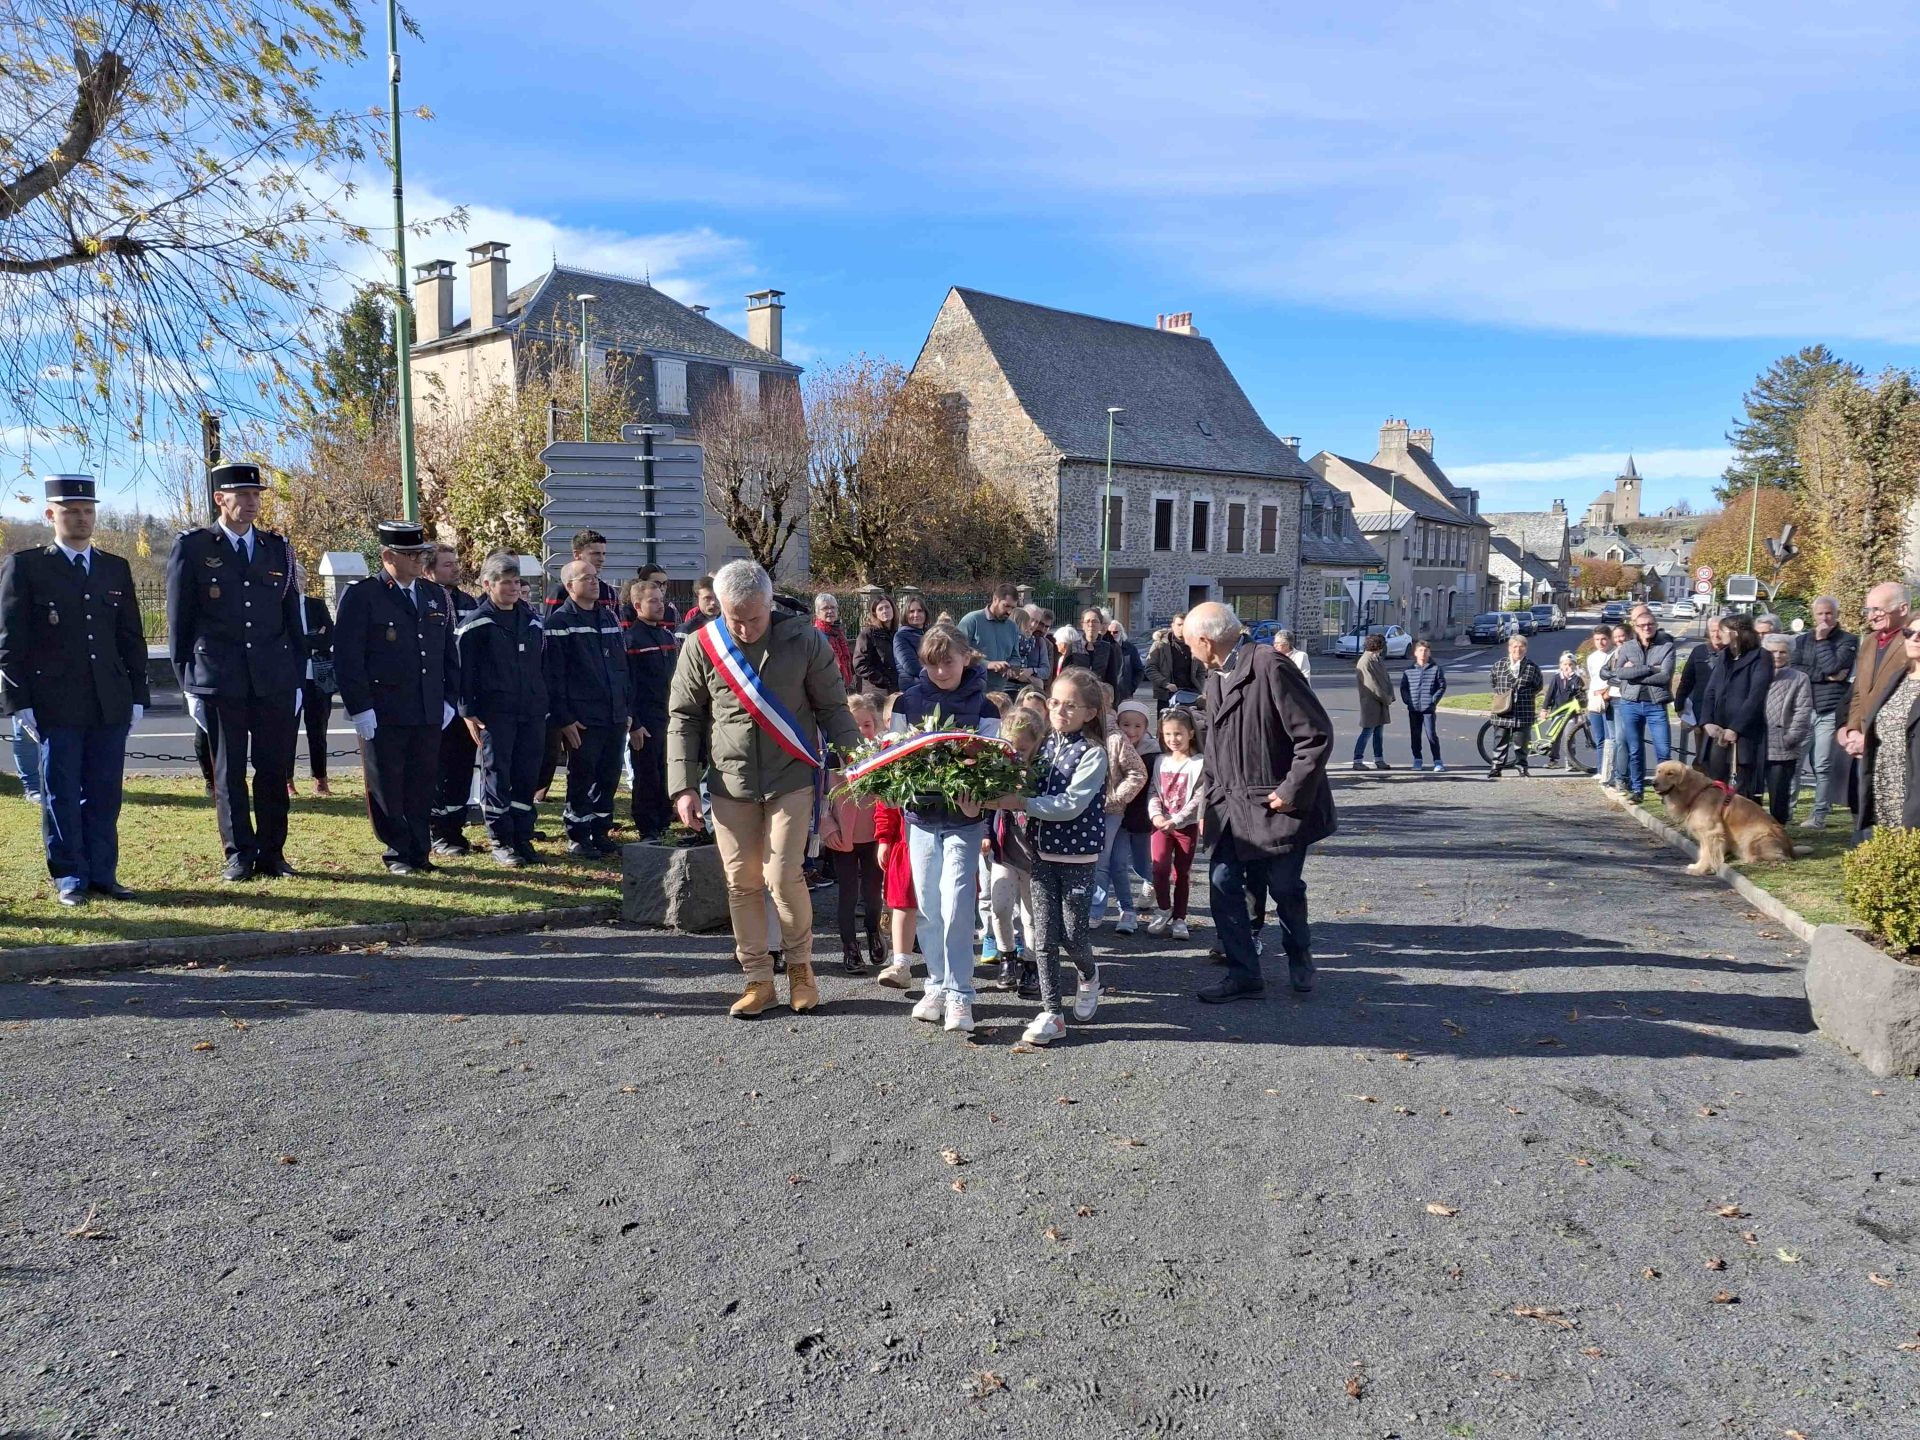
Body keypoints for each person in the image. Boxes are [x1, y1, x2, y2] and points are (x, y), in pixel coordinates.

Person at [667, 560, 860, 1018]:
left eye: (753, 618)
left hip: (791, 778)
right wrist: (683, 787)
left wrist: (857, 758)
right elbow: (684, 719)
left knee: (781, 876)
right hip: (729, 784)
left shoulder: (806, 640)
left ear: (770, 605)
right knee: (741, 882)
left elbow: (833, 708)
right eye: (733, 618)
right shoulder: (701, 645)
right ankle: (757, 979)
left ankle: (800, 971)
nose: (744, 628)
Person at [0, 474, 149, 905]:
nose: (81, 519)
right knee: (62, 791)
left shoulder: (113, 567)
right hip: (55, 701)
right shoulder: (27, 566)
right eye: (71, 511)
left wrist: (138, 694)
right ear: (51, 515)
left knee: (104, 792)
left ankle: (103, 873)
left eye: (87, 511)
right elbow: (11, 642)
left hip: (109, 701)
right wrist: (19, 702)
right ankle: (69, 876)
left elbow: (130, 638)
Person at [1184, 602, 1335, 1002]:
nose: (1189, 651)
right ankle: (1244, 974)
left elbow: (1315, 736)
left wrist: (1290, 790)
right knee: (1222, 883)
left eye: (1189, 644)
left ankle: (1299, 955)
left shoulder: (1271, 665)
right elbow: (1214, 751)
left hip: (1276, 805)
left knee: (1284, 886)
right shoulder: (1215, 676)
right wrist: (1205, 807)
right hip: (1229, 806)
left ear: (1205, 640)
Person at [165, 463, 304, 881]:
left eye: (256, 495)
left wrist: (298, 674)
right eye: (241, 495)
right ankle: (239, 853)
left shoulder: (277, 548)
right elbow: (179, 621)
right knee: (229, 771)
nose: (250, 502)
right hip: (220, 678)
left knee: (274, 768)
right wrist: (188, 683)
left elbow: (290, 616)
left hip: (273, 678)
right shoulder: (192, 547)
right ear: (219, 499)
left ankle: (273, 853)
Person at [984, 668, 1111, 1045]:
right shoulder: (1045, 744)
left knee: (1073, 936)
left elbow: (1071, 804)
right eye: (1055, 702)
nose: (1059, 710)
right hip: (1039, 854)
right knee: (1043, 937)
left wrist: (1019, 801)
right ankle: (1052, 1012)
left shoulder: (1093, 752)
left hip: (1077, 857)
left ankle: (1088, 975)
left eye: (1071, 705)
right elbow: (1018, 771)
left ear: (1090, 713)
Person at [331, 520, 460, 875]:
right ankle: (397, 851)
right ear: (388, 556)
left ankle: (419, 850)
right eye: (411, 554)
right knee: (388, 784)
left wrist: (449, 698)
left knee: (422, 782)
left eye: (422, 552)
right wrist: (359, 707)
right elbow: (348, 657)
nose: (420, 559)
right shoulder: (363, 595)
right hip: (383, 708)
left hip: (426, 705)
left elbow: (448, 651)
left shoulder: (435, 595)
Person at [890, 623, 1000, 1034]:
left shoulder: (986, 708)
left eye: (948, 662)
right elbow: (893, 756)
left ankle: (961, 994)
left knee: (956, 904)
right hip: (919, 817)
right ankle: (935, 984)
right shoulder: (908, 701)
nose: (940, 672)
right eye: (932, 664)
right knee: (928, 905)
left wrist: (979, 795)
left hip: (963, 821)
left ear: (966, 658)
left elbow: (991, 767)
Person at [456, 552, 547, 867]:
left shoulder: (533, 620)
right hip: (495, 713)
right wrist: (467, 709)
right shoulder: (475, 624)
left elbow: (542, 665)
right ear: (487, 584)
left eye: (516, 582)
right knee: (498, 774)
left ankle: (522, 836)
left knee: (526, 776)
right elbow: (463, 672)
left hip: (531, 711)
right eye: (505, 582)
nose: (512, 588)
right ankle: (501, 840)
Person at [544, 560, 638, 857]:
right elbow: (554, 675)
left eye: (596, 577)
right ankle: (578, 834)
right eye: (587, 578)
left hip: (613, 713)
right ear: (570, 586)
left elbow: (622, 667)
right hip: (583, 718)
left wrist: (626, 708)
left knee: (609, 775)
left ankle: (600, 831)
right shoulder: (560, 622)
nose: (595, 582)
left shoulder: (608, 617)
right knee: (583, 775)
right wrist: (565, 718)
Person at [1839, 583, 1912, 838]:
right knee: (1863, 802)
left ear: (1903, 608)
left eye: (1879, 610)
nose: (1872, 615)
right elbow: (1859, 691)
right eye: (1868, 609)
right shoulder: (1869, 642)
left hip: (1896, 739)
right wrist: (1853, 731)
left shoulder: (1912, 639)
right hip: (1865, 739)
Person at [820, 693, 886, 974]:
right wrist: (828, 828)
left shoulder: (883, 755)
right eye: (854, 726)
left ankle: (873, 930)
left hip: (873, 835)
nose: (861, 732)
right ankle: (849, 946)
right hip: (842, 837)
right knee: (847, 893)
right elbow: (820, 798)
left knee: (872, 893)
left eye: (867, 725)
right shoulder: (831, 759)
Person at [427, 543, 481, 857]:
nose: (455, 568)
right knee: (436, 770)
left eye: (455, 563)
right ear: (429, 569)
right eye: (447, 564)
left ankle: (455, 831)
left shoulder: (468, 602)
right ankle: (437, 833)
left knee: (461, 769)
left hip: (463, 700)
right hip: (435, 699)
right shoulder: (424, 599)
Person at [984, 708, 1044, 991]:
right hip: (1004, 853)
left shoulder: (1043, 771)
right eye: (1011, 747)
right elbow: (987, 803)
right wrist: (986, 833)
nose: (1017, 754)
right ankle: (1007, 956)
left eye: (1023, 748)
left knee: (1032, 915)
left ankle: (1031, 963)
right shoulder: (999, 768)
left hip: (1034, 857)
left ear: (1036, 743)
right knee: (1001, 906)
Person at [1790, 596, 1856, 830]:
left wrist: (1821, 640)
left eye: (1829, 613)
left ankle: (1819, 816)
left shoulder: (1848, 640)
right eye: (1820, 614)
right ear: (1813, 614)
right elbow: (1796, 669)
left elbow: (1834, 666)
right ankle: (1786, 812)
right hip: (1805, 707)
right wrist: (1826, 677)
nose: (1824, 618)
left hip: (1830, 709)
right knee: (1794, 762)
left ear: (1836, 615)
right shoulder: (1801, 640)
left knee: (1823, 765)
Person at [1854, 614, 1920, 834]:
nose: (1914, 639)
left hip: (1912, 781)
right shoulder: (1899, 677)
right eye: (1909, 633)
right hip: (1884, 777)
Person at [624, 575, 678, 840]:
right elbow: (628, 684)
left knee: (667, 770)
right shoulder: (631, 639)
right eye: (653, 601)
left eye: (661, 600)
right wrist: (634, 723)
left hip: (668, 717)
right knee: (647, 774)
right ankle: (647, 825)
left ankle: (664, 819)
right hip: (645, 720)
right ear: (637, 605)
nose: (660, 606)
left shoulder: (667, 635)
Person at [1094, 698, 1154, 933]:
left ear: (1146, 728)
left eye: (1137, 726)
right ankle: (1119, 910)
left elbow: (1142, 779)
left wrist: (1118, 797)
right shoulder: (1111, 741)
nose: (1131, 731)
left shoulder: (1151, 751)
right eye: (1126, 725)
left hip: (1137, 819)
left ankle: (1145, 893)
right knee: (1112, 863)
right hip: (1115, 815)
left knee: (1139, 864)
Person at [1699, 613, 1772, 799]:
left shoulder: (1762, 657)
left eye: (1722, 630)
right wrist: (1707, 721)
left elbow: (1756, 696)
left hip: (1745, 734)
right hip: (1718, 731)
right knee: (1716, 784)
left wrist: (1736, 728)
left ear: (1735, 634)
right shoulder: (1724, 656)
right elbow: (1710, 691)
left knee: (1741, 789)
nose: (1718, 634)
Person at [1146, 706, 1204, 939]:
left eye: (1178, 733)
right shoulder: (1161, 761)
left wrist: (1178, 819)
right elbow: (1153, 791)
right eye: (1168, 734)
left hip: (1185, 826)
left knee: (1182, 872)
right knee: (1159, 869)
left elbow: (1199, 797)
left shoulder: (1199, 763)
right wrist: (1156, 815)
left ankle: (1180, 917)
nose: (1173, 739)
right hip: (1160, 824)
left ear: (1190, 733)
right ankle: (1163, 908)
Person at [1609, 606, 1678, 799]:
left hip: (1656, 705)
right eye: (1642, 625)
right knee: (1635, 749)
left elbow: (1665, 676)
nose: (1646, 628)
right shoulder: (1627, 647)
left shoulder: (1667, 646)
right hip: (1630, 703)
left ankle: (1666, 793)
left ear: (1656, 625)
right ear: (1636, 627)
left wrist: (1635, 674)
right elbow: (1620, 673)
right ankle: (1638, 789)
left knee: (1663, 751)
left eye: (1650, 624)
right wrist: (1649, 668)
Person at [1761, 633, 1813, 826]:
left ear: (1790, 654)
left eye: (1783, 652)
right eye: (1773, 651)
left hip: (1783, 746)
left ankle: (1779, 834)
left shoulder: (1799, 678)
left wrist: (1791, 738)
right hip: (1755, 743)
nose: (1778, 655)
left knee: (1779, 797)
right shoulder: (1755, 673)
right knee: (1751, 795)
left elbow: (1803, 710)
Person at [1486, 634, 1543, 779]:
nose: (1518, 650)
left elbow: (1538, 686)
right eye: (1515, 646)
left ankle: (1522, 766)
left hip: (1523, 710)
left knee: (1521, 742)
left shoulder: (1532, 667)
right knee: (1500, 740)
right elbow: (1494, 683)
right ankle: (1496, 767)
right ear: (1509, 648)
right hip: (1503, 709)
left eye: (1521, 646)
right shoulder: (1499, 665)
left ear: (1526, 649)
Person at [298, 581, 336, 796]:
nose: (298, 584)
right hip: (291, 677)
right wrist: (312, 638)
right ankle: (288, 780)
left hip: (319, 676)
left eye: (301, 579)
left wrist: (306, 641)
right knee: (286, 732)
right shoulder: (280, 605)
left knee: (318, 729)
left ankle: (320, 779)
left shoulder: (316, 605)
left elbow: (328, 636)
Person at [959, 584, 1030, 694]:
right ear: (995, 599)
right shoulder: (972, 620)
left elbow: (1015, 657)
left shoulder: (1012, 627)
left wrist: (1011, 667)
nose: (1010, 612)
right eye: (1006, 606)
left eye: (1013, 608)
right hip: (971, 687)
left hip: (1000, 690)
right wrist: (987, 664)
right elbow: (958, 652)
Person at [1674, 615, 1724, 771]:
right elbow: (1687, 679)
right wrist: (1679, 704)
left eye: (1719, 631)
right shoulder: (1699, 651)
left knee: (1721, 757)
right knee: (1702, 755)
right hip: (1701, 710)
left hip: (1724, 712)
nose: (1716, 635)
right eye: (1712, 631)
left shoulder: (1734, 653)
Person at [1399, 638, 1447, 773]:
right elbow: (1404, 688)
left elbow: (1442, 686)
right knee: (1415, 735)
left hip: (1428, 708)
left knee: (1431, 734)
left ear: (1429, 653)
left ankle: (1437, 761)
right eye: (1420, 650)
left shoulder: (1436, 669)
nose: (1423, 653)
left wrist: (1434, 700)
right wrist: (1408, 700)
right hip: (1413, 708)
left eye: (1426, 651)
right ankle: (1417, 759)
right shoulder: (1409, 671)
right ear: (1415, 653)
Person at [1352, 631, 1393, 771]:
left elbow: (1386, 678)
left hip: (1380, 701)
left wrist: (1390, 695)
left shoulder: (1377, 659)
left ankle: (1379, 759)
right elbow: (1371, 684)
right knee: (1367, 731)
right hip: (1370, 702)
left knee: (1378, 733)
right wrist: (1385, 697)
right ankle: (1357, 759)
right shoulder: (1365, 661)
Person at [1539, 651, 1586, 773]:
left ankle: (1571, 762)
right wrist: (1545, 709)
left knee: (1569, 737)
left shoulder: (1577, 679)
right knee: (1554, 737)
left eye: (1571, 664)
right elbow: (1550, 694)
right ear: (1560, 665)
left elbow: (1580, 693)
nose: (1568, 667)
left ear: (1575, 666)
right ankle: (1553, 760)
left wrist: (1573, 677)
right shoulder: (1556, 678)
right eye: (1565, 664)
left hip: (1571, 714)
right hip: (1557, 711)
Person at [1583, 625, 1616, 787]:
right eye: (1597, 640)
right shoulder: (1592, 658)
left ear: (1610, 639)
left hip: (1611, 699)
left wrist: (1607, 691)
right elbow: (1593, 678)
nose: (1601, 642)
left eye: (1604, 639)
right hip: (1595, 700)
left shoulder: (1615, 654)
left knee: (1612, 737)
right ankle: (1601, 769)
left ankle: (1611, 770)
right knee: (1599, 737)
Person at [852, 593, 899, 698]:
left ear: (893, 609)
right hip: (876, 691)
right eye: (880, 609)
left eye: (887, 607)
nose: (885, 611)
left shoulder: (897, 633)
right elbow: (860, 664)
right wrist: (881, 679)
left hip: (896, 689)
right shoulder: (868, 634)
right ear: (875, 613)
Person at [1147, 612, 1199, 707]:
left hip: (1191, 694)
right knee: (1167, 721)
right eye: (1179, 625)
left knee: (1192, 720)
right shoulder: (1161, 644)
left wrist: (1201, 688)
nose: (1182, 628)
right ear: (1173, 625)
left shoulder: (1194, 644)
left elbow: (1201, 670)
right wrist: (1165, 684)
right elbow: (1150, 668)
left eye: (1185, 625)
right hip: (1167, 694)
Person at [813, 593, 856, 690]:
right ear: (817, 612)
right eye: (825, 608)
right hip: (827, 687)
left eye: (833, 607)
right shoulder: (816, 635)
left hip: (843, 685)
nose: (830, 611)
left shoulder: (838, 633)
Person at [891, 595, 931, 688]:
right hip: (913, 686)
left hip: (928, 683)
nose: (916, 615)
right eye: (911, 611)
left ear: (925, 613)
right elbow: (911, 666)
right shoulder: (901, 636)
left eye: (920, 610)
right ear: (905, 614)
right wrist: (935, 674)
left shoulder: (929, 634)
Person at [1080, 608, 1121, 691]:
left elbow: (1112, 678)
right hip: (1077, 696)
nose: (1091, 624)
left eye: (1095, 621)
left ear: (1100, 625)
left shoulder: (1108, 648)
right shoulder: (1074, 646)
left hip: (1100, 696)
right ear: (1082, 625)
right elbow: (1066, 676)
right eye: (1087, 621)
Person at [1111, 621, 1146, 699]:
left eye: (1115, 632)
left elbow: (1139, 670)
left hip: (1125, 695)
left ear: (1121, 633)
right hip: (1107, 695)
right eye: (1109, 632)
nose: (1112, 634)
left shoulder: (1130, 648)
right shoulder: (1103, 648)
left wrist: (1131, 688)